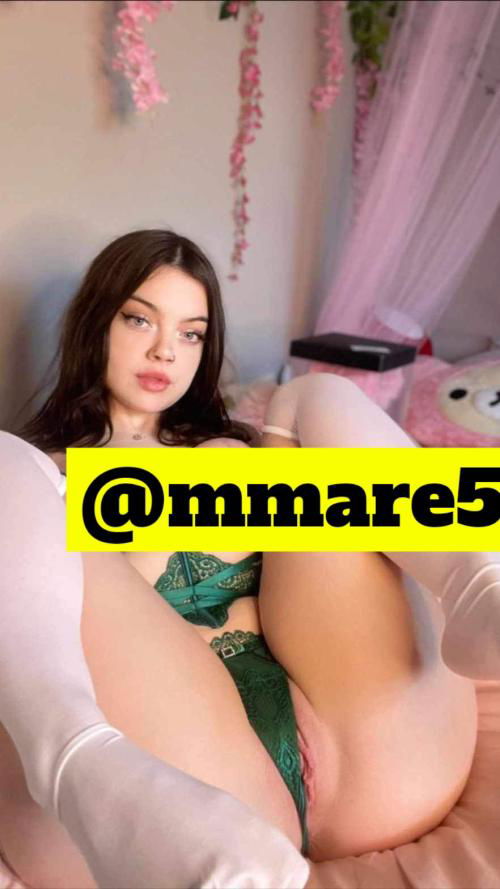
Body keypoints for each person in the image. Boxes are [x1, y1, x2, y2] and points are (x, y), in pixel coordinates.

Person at [0, 229, 496, 888]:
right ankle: (74, 757)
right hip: (190, 794)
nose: (164, 350)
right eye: (140, 319)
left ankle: (477, 578)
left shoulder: (245, 447)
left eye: (191, 334)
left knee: (317, 395)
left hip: (380, 757)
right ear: (96, 323)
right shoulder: (40, 481)